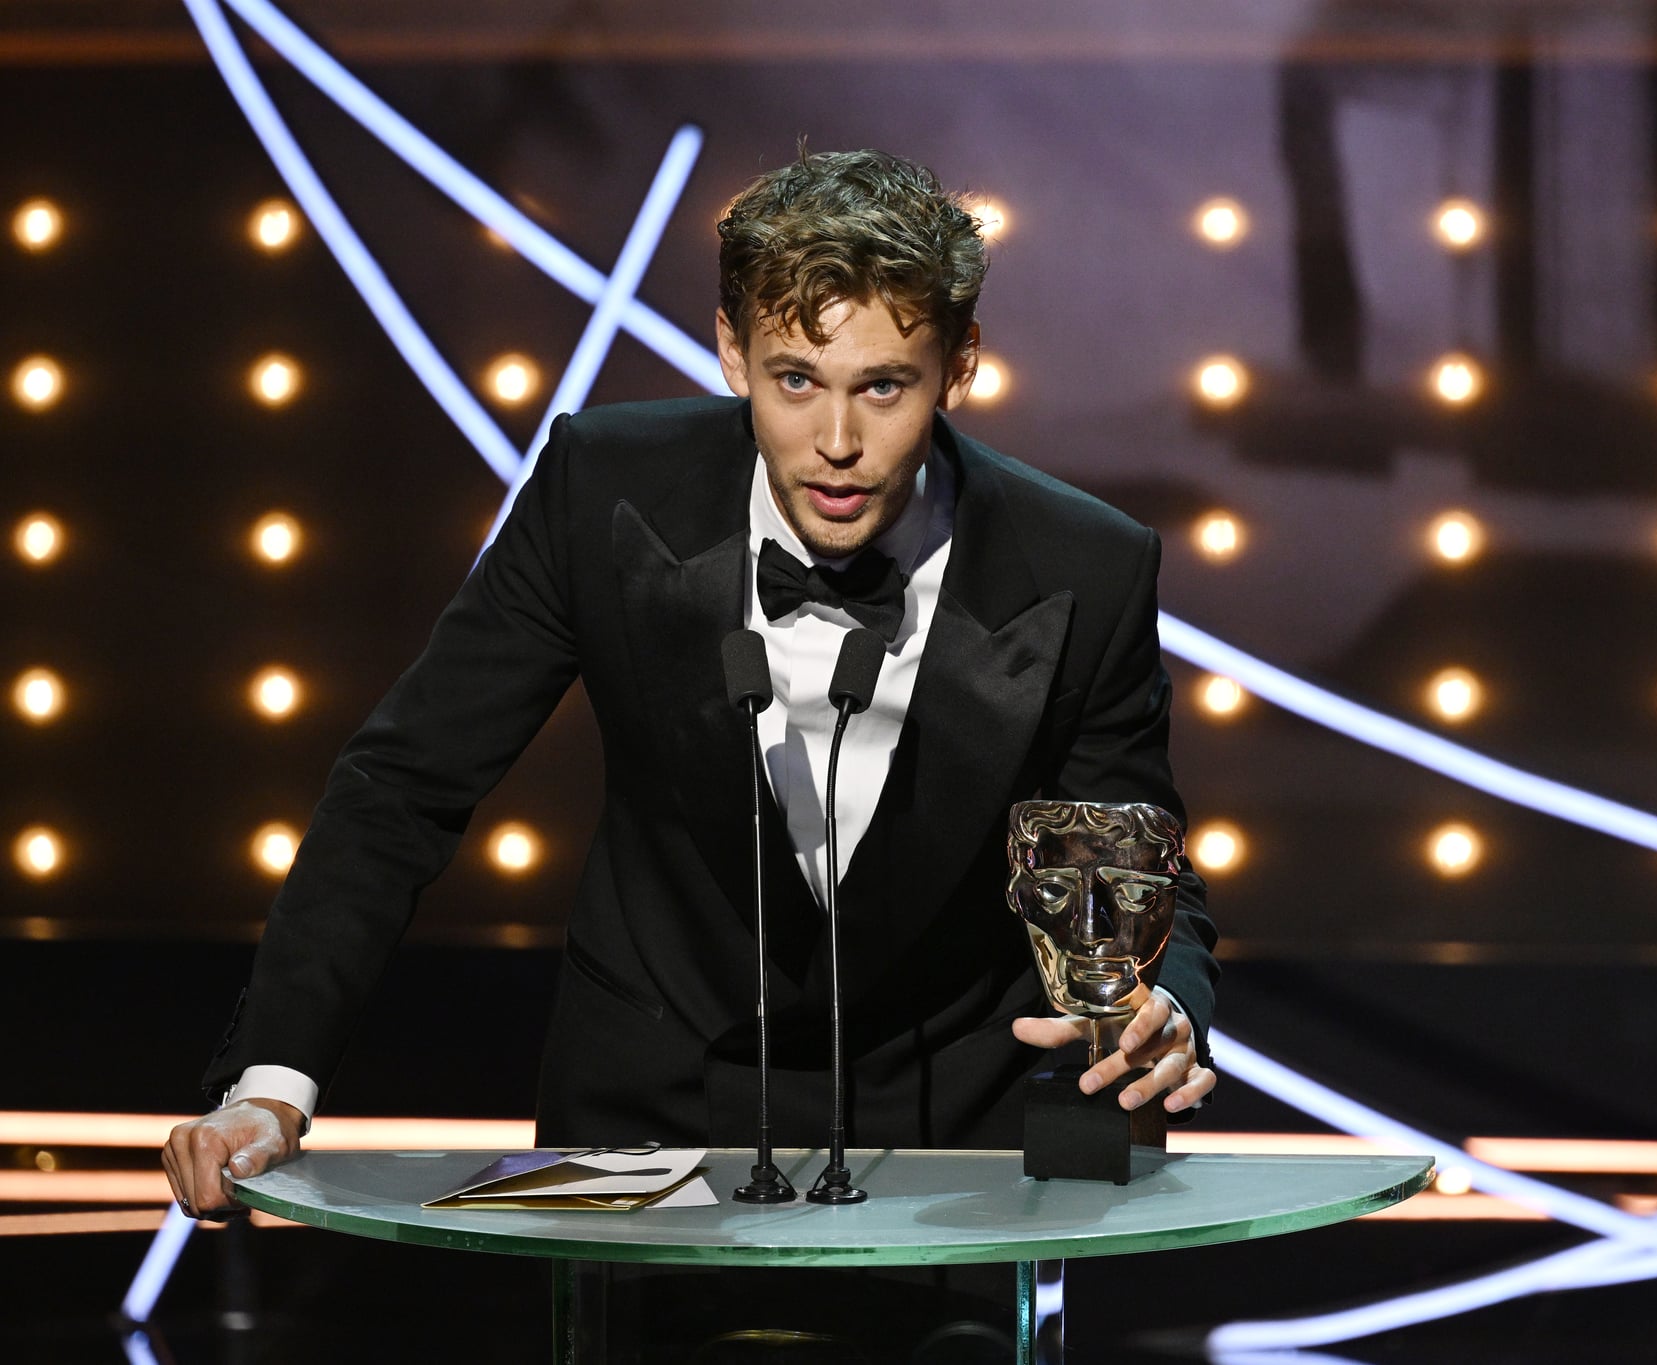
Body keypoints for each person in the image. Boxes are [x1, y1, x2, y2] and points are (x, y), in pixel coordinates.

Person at [163, 148, 1219, 1220]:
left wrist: (1164, 1003)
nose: (837, 444)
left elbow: (1133, 850)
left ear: (960, 368)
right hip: (644, 1122)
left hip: (950, 1154)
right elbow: (403, 786)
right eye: (794, 381)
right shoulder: (603, 489)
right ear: (729, 352)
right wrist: (271, 1084)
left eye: (883, 387)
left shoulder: (1083, 562)